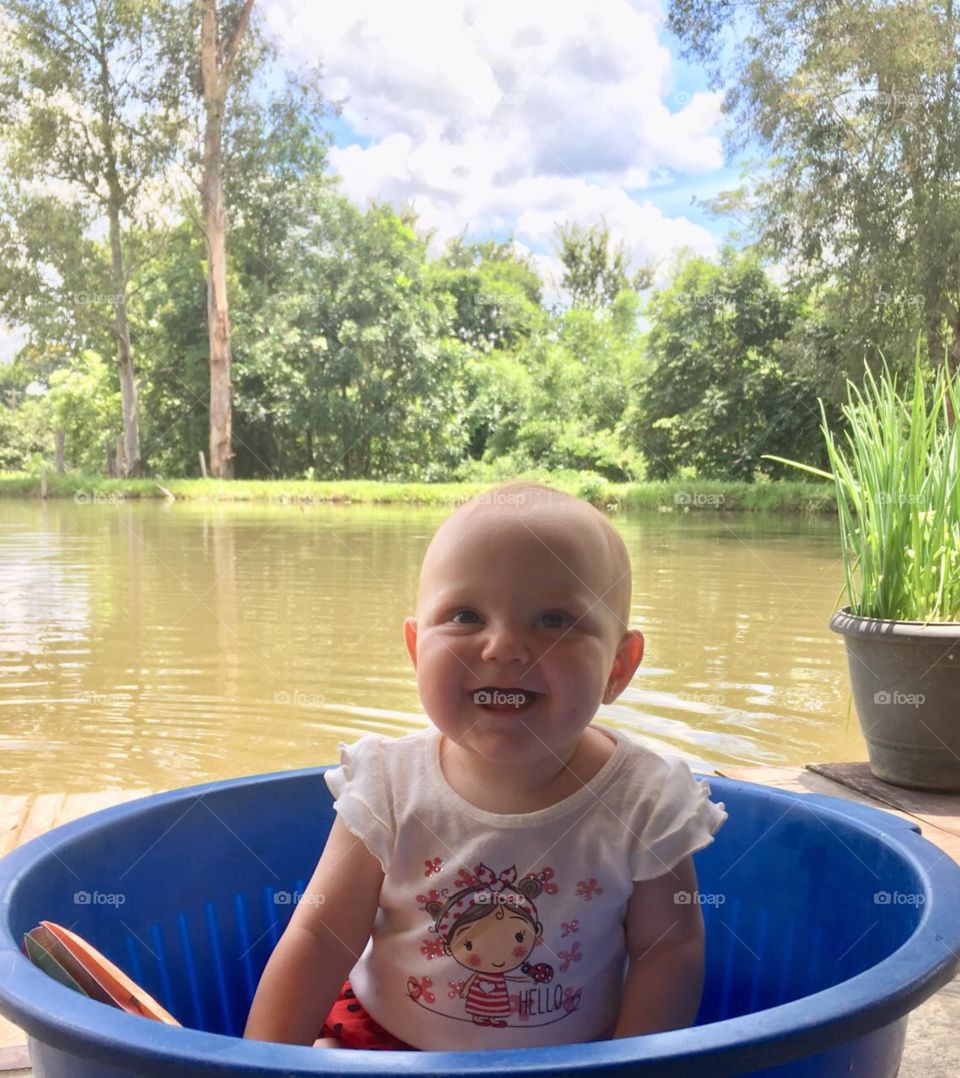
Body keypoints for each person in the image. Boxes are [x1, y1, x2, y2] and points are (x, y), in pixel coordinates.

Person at [243, 480, 727, 1051]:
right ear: (417, 648)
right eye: (466, 615)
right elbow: (321, 937)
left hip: (573, 1063)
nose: (503, 647)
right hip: (382, 1045)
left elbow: (667, 951)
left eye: (554, 621)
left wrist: (628, 1069)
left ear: (619, 666)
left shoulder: (645, 800)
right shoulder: (387, 785)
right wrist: (263, 1065)